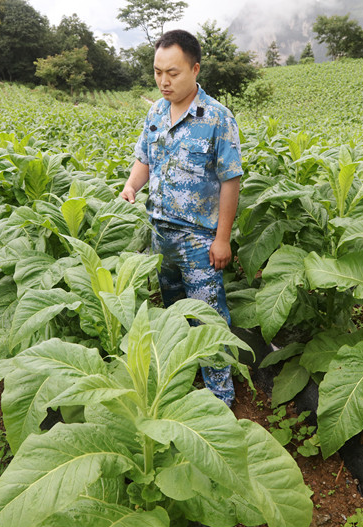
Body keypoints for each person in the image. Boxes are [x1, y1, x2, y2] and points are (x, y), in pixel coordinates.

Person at [120, 29, 242, 407]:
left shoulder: (218, 118)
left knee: (208, 318)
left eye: (172, 73)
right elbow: (144, 159)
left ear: (195, 69)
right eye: (158, 72)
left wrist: (222, 239)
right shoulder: (155, 111)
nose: (163, 81)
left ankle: (221, 399)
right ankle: (185, 383)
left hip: (199, 241)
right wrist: (130, 188)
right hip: (161, 236)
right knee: (175, 313)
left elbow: (230, 182)